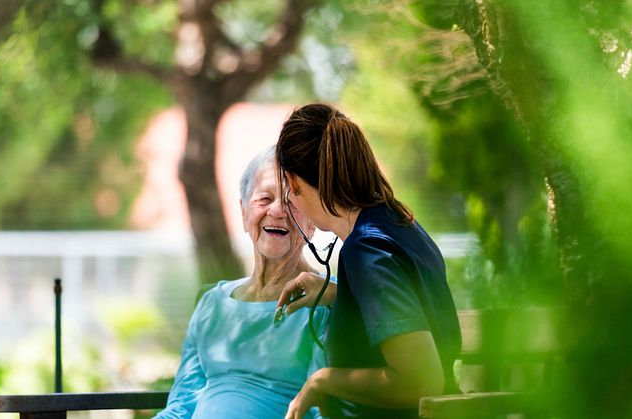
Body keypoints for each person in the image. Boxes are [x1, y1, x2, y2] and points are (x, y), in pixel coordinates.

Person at [275, 103, 462, 419]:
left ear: (293, 183)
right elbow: (412, 305)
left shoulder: (366, 251)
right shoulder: (398, 223)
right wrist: (338, 294)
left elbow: (422, 380)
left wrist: (322, 381)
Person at [154, 147, 329, 419]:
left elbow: (322, 412)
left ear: (313, 221)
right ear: (244, 211)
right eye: (265, 198)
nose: (278, 210)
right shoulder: (212, 304)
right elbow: (182, 406)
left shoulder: (327, 299)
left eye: (291, 201)